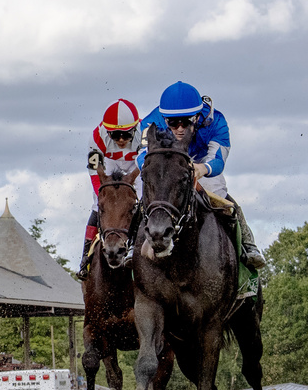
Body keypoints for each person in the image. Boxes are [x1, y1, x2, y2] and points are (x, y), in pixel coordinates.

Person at [137, 81, 266, 269]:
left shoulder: (217, 122)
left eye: (186, 122)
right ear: (164, 119)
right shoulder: (150, 123)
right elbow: (141, 157)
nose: (180, 128)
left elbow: (218, 160)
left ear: (197, 116)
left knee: (219, 194)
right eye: (173, 123)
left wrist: (201, 169)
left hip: (202, 162)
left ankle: (247, 246)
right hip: (166, 164)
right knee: (149, 196)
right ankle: (132, 245)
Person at [77, 99, 142, 279]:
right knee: (98, 206)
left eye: (126, 135)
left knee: (143, 204)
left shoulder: (145, 134)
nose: (121, 140)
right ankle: (85, 259)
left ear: (135, 129)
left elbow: (148, 167)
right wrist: (102, 194)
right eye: (115, 135)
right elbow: (94, 171)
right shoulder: (97, 136)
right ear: (108, 132)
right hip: (109, 165)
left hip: (137, 166)